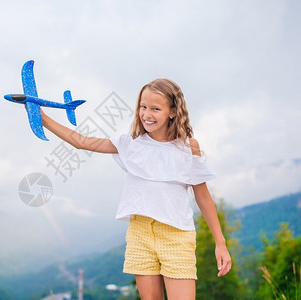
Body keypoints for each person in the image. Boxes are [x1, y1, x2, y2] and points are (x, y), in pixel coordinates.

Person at [40, 78, 232, 300]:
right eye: (143, 107)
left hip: (176, 235)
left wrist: (220, 243)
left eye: (155, 109)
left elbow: (204, 197)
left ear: (172, 111)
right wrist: (42, 118)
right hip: (140, 233)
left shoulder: (188, 147)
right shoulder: (130, 144)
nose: (147, 114)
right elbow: (81, 141)